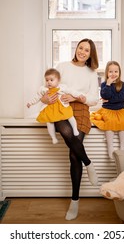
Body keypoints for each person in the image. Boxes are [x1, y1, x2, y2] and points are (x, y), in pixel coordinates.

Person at [41, 38, 99, 220]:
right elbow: (47, 87)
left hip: (80, 110)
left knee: (74, 155)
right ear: (76, 49)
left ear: (91, 54)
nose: (82, 51)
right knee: (66, 132)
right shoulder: (63, 66)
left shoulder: (91, 73)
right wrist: (45, 99)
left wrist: (75, 98)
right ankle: (89, 163)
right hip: (59, 107)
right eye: (80, 47)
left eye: (87, 50)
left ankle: (74, 201)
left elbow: (93, 99)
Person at [90, 61, 124, 159]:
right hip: (108, 110)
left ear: (119, 73)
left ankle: (122, 148)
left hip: (120, 110)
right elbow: (104, 95)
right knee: (109, 123)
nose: (113, 74)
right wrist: (108, 85)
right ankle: (110, 148)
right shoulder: (104, 85)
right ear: (107, 73)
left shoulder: (122, 84)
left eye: (116, 71)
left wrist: (110, 99)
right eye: (111, 71)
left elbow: (122, 97)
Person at [27, 68, 84, 144]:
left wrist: (79, 95)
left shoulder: (62, 87)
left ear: (58, 80)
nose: (49, 82)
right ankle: (53, 137)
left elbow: (72, 91)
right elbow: (37, 97)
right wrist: (30, 103)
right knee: (49, 121)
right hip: (51, 108)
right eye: (47, 80)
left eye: (51, 80)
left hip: (62, 106)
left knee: (70, 115)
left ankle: (74, 129)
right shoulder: (43, 89)